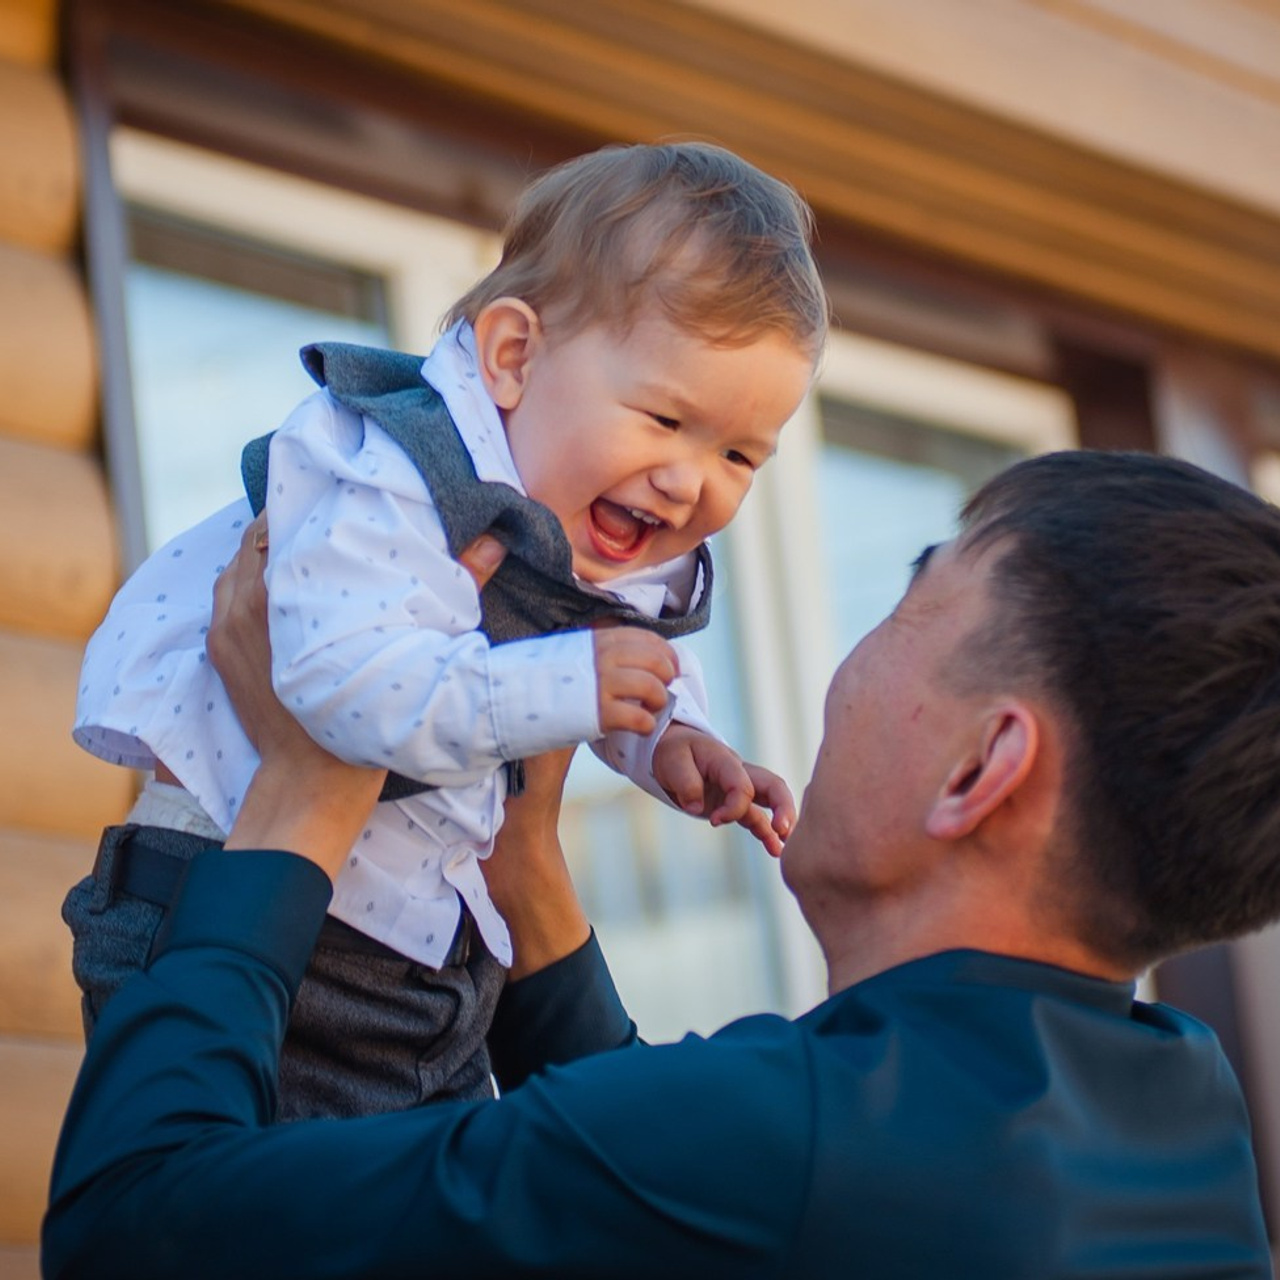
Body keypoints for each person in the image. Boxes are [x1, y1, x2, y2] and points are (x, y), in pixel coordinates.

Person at [43, 449, 1278, 1278]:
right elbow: (685, 1192)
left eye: (910, 600)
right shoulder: (1179, 1112)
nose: (848, 659)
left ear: (981, 766)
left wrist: (301, 797)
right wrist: (526, 869)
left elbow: (132, 1220)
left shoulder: (791, 1139)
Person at [63, 141, 825, 1117]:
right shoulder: (385, 470)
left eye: (738, 453)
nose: (690, 478)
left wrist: (668, 736)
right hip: (217, 900)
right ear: (513, 357)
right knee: (219, 1195)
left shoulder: (591, 516)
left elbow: (617, 649)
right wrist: (566, 688)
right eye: (664, 419)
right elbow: (344, 691)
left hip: (417, 958)